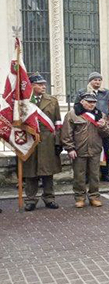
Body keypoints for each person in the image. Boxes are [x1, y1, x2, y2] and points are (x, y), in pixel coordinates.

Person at [61, 92, 109, 208]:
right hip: (79, 150)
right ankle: (80, 197)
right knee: (79, 176)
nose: (91, 104)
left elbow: (108, 132)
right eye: (89, 102)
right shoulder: (72, 114)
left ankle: (94, 196)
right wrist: (70, 148)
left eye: (94, 102)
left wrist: (103, 126)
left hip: (95, 150)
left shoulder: (100, 115)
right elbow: (66, 133)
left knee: (94, 175)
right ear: (82, 102)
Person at [22, 74, 62, 211]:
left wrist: (58, 142)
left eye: (44, 84)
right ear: (31, 85)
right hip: (30, 141)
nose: (43, 86)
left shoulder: (52, 100)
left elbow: (57, 123)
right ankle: (30, 200)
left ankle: (49, 198)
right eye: (39, 84)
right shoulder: (24, 101)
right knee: (30, 172)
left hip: (47, 141)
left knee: (48, 172)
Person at [85, 72, 109, 181]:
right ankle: (88, 175)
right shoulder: (83, 92)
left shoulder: (106, 93)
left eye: (99, 80)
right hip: (89, 126)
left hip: (103, 126)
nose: (97, 82)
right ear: (90, 81)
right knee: (89, 151)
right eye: (95, 80)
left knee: (105, 150)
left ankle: (105, 173)